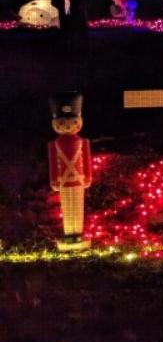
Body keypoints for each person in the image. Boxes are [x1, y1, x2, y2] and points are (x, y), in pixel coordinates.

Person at [47, 92, 92, 250]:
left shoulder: (83, 142)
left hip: (78, 179)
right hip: (63, 181)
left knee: (78, 205)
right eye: (62, 122)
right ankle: (69, 233)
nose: (67, 126)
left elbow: (86, 159)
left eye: (71, 122)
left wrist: (88, 177)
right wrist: (53, 179)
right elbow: (53, 162)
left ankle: (78, 232)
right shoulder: (54, 145)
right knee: (66, 207)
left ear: (78, 122)